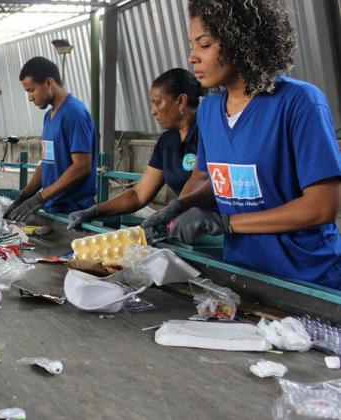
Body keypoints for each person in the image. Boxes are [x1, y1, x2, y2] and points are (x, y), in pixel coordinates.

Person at [143, 0, 341, 287]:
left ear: (241, 39)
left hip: (307, 280)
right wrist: (182, 205)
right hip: (244, 273)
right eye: (192, 45)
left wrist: (226, 223)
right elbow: (223, 181)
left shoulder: (299, 103)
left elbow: (321, 207)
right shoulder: (210, 111)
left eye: (205, 44)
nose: (192, 57)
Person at [68, 68, 206, 230]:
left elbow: (200, 181)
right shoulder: (167, 141)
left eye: (157, 102)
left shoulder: (207, 132)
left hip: (211, 230)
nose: (153, 111)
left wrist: (170, 217)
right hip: (183, 227)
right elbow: (138, 194)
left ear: (181, 101)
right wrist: (94, 211)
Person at [4, 57, 98, 222]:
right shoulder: (49, 117)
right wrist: (25, 196)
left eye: (31, 90)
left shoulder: (74, 113)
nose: (30, 98)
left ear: (49, 83)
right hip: (52, 209)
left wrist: (41, 197)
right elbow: (47, 162)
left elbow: (82, 166)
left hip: (73, 214)